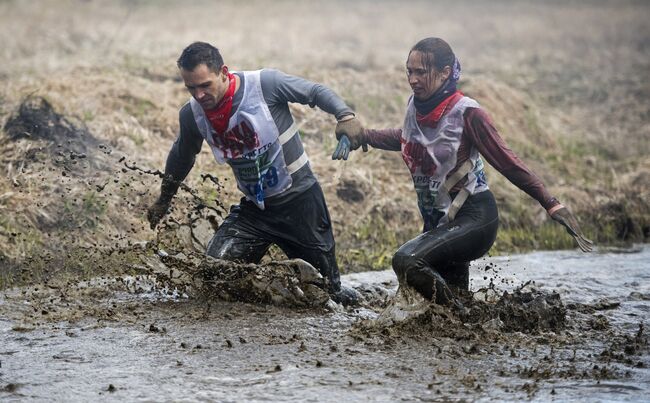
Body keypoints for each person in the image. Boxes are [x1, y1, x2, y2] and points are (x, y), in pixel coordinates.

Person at [332, 37, 593, 304]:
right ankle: (467, 317)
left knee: (407, 261)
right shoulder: (415, 106)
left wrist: (551, 204)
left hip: (474, 218)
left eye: (421, 72)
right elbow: (407, 138)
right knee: (440, 303)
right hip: (440, 220)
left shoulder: (467, 113)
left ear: (445, 73)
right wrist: (363, 136)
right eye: (409, 71)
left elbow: (508, 162)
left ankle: (462, 317)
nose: (412, 79)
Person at [147, 41, 364, 306]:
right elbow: (182, 157)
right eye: (191, 88)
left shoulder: (264, 85)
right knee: (212, 278)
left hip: (301, 204)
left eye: (205, 85)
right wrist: (164, 199)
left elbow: (314, 92)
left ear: (224, 72)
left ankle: (364, 304)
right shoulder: (192, 115)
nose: (199, 95)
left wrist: (345, 116)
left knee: (328, 295)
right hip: (255, 212)